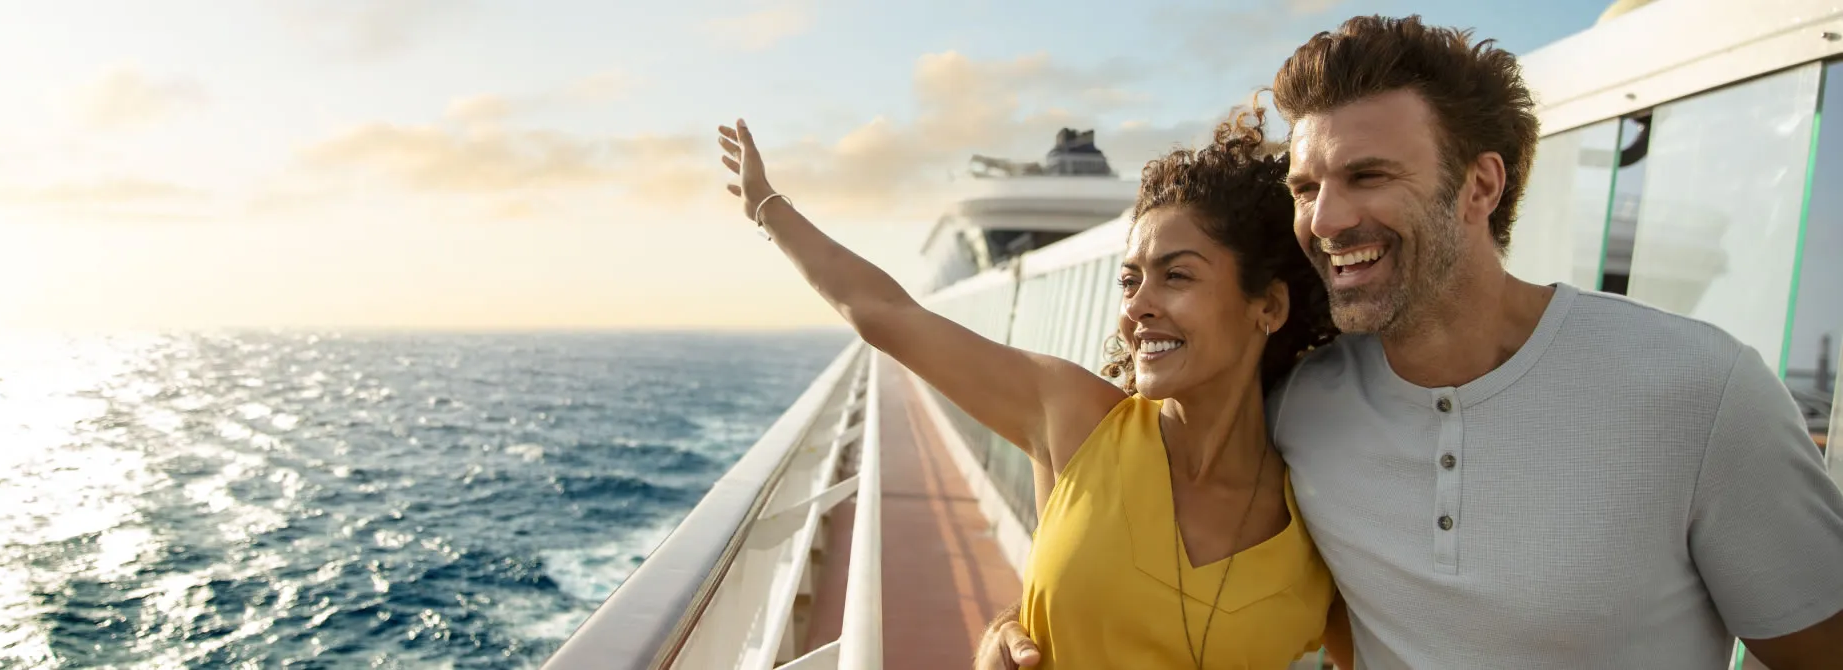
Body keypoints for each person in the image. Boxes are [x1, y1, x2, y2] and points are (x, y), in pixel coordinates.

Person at [975, 13, 1843, 669]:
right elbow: (1116, 518)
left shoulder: (1700, 390)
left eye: (1368, 176)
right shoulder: (1298, 408)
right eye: (1306, 185)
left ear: (1480, 184)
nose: (1324, 218)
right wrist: (1010, 633)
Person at [715, 104, 1352, 668]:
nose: (1138, 307)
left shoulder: (1326, 518)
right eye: (1129, 281)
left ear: (1267, 305)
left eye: (1176, 276)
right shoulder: (1074, 418)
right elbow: (887, 315)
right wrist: (767, 207)